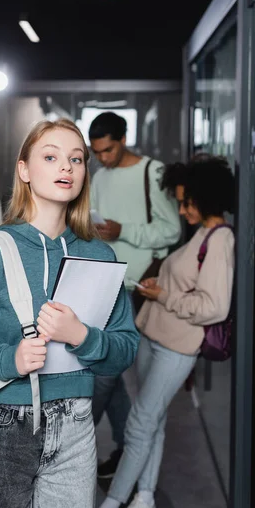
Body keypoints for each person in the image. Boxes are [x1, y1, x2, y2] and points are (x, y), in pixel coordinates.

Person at [0, 118, 140, 508]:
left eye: (76, 159)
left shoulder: (99, 255)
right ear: (24, 170)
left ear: (84, 174)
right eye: (51, 157)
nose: (66, 167)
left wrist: (82, 336)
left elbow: (126, 349)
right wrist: (8, 358)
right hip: (0, 424)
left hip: (77, 427)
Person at [92, 156, 235, 508]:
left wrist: (164, 295)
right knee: (150, 423)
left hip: (177, 346)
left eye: (188, 202)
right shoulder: (201, 234)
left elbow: (214, 307)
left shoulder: (220, 240)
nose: (183, 208)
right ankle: (145, 499)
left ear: (208, 198)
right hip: (155, 336)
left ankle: (109, 507)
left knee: (140, 422)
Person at [89, 111, 181, 478]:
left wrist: (122, 230)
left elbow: (171, 230)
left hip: (140, 287)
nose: (103, 158)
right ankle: (127, 450)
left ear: (123, 139)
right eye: (97, 152)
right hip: (106, 283)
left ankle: (74, 441)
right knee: (111, 374)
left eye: (108, 150)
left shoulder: (152, 172)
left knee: (108, 373)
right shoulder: (99, 174)